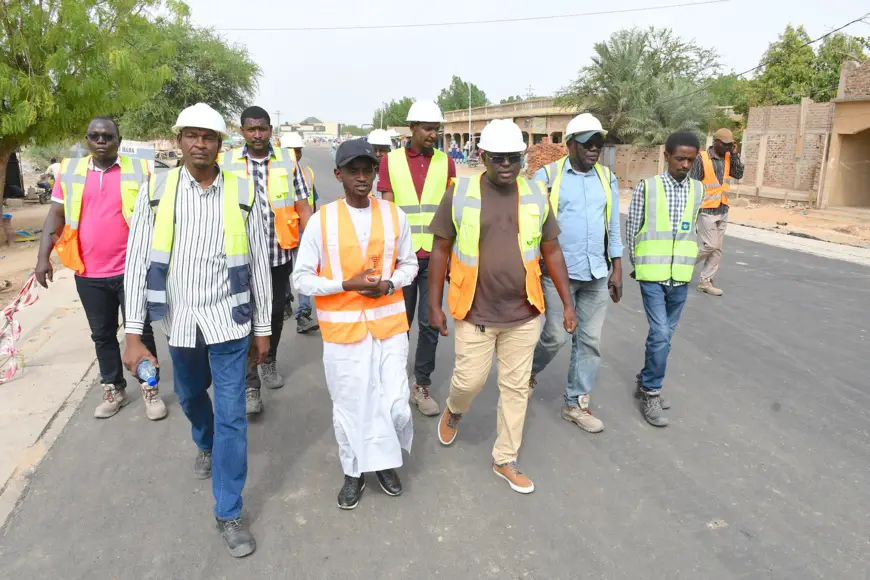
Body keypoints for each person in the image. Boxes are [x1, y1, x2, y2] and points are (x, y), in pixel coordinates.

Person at [123, 103, 272, 557]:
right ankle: (204, 442)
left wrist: (263, 328)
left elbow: (260, 262)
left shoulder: (244, 192)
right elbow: (136, 262)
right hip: (180, 322)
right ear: (180, 140)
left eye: (208, 137)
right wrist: (133, 335)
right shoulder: (155, 190)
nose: (200, 144)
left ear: (221, 145)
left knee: (232, 415)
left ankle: (228, 511)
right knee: (189, 396)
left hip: (231, 321)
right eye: (192, 135)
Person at [427, 120, 577, 494]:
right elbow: (440, 250)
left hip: (524, 313)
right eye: (499, 158)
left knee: (515, 388)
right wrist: (433, 305)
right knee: (469, 381)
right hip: (475, 312)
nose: (507, 165)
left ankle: (504, 458)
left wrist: (567, 302)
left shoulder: (535, 195)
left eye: (514, 157)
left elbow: (551, 250)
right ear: (483, 157)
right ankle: (454, 409)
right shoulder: (459, 193)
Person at [293, 140, 418, 509]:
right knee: (351, 405)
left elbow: (409, 265)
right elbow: (301, 279)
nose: (361, 177)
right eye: (353, 170)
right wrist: (346, 284)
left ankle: (383, 462)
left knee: (394, 403)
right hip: (343, 333)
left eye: (368, 169)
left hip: (389, 327)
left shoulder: (395, 215)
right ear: (339, 175)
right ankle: (354, 471)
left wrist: (389, 284)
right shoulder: (322, 221)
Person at [34, 117, 166, 421]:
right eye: (94, 136)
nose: (101, 140)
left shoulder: (140, 169)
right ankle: (113, 389)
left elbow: (160, 215)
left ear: (119, 139)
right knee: (102, 334)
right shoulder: (70, 171)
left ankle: (149, 387)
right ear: (87, 140)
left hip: (132, 272)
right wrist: (43, 258)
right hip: (88, 273)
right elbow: (56, 215)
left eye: (107, 136)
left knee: (141, 331)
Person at [528, 113, 622, 434]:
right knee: (555, 335)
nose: (594, 148)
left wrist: (617, 266)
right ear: (569, 145)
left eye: (598, 142)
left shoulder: (607, 178)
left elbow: (614, 225)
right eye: (587, 143)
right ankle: (526, 372)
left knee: (590, 340)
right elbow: (530, 226)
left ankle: (576, 403)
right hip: (557, 275)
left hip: (596, 271)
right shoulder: (547, 176)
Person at [220, 107, 312, 414]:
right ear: (243, 131)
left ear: (270, 129)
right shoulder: (227, 162)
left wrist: (313, 248)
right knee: (244, 318)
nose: (257, 135)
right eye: (250, 129)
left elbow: (302, 206)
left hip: (277, 255)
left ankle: (269, 361)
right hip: (238, 257)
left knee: (273, 316)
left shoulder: (288, 162)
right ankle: (250, 385)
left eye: (262, 129)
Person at [378, 100, 457, 417]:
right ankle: (394, 380)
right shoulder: (390, 162)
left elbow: (450, 209)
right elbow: (387, 209)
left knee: (430, 323)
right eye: (427, 128)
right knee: (399, 325)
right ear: (411, 128)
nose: (432, 134)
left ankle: (421, 384)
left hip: (436, 257)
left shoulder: (446, 162)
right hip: (403, 259)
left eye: (436, 129)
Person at [624, 131, 703, 428]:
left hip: (681, 275)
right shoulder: (649, 187)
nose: (684, 164)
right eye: (679, 158)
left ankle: (645, 381)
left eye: (690, 160)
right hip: (652, 275)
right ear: (666, 156)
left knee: (665, 337)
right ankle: (652, 393)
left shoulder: (698, 190)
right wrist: (638, 264)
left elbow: (692, 229)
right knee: (659, 334)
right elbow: (633, 228)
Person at [691, 128, 744, 296]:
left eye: (731, 145)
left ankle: (706, 282)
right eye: (726, 145)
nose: (729, 148)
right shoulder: (702, 158)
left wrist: (735, 154)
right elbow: (693, 183)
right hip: (706, 209)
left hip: (723, 208)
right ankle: (682, 264)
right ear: (716, 142)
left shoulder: (729, 158)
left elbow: (738, 174)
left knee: (718, 248)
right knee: (710, 245)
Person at [278, 132, 320, 335]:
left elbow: (312, 203)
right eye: (292, 151)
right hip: (282, 230)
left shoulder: (307, 173)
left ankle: (303, 313)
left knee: (304, 270)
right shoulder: (274, 174)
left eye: (298, 150)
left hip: (303, 230)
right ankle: (286, 301)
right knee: (284, 271)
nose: (296, 154)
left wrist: (315, 230)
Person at [367, 129, 393, 198]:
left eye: (381, 150)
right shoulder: (362, 173)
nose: (378, 154)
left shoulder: (395, 172)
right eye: (374, 150)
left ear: (389, 151)